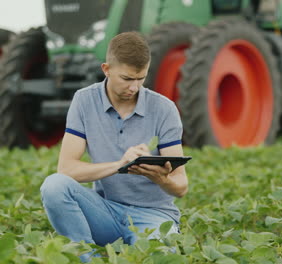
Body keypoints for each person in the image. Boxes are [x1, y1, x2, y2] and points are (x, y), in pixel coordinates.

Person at [40, 32, 188, 262]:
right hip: (105, 212)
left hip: (154, 216)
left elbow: (180, 186)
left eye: (141, 78)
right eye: (127, 79)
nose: (135, 87)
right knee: (54, 186)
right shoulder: (84, 101)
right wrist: (120, 165)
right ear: (106, 69)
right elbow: (67, 170)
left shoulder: (164, 109)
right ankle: (86, 258)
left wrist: (161, 179)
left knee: (158, 258)